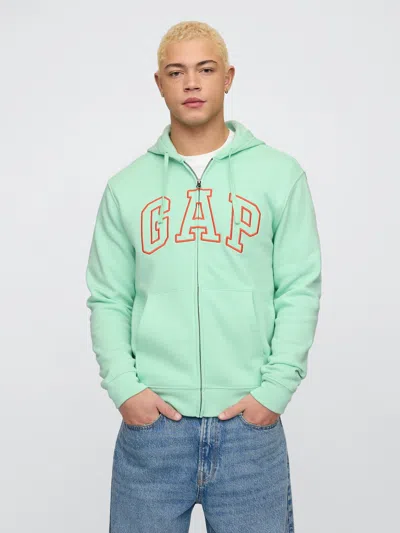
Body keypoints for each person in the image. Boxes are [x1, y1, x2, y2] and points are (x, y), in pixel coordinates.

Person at [85, 20, 322, 533]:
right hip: (154, 431)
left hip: (248, 432)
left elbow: (298, 290)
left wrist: (274, 391)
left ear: (228, 77)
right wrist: (125, 388)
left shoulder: (279, 176)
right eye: (176, 72)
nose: (191, 83)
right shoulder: (127, 187)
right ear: (159, 83)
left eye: (206, 69)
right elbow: (108, 297)